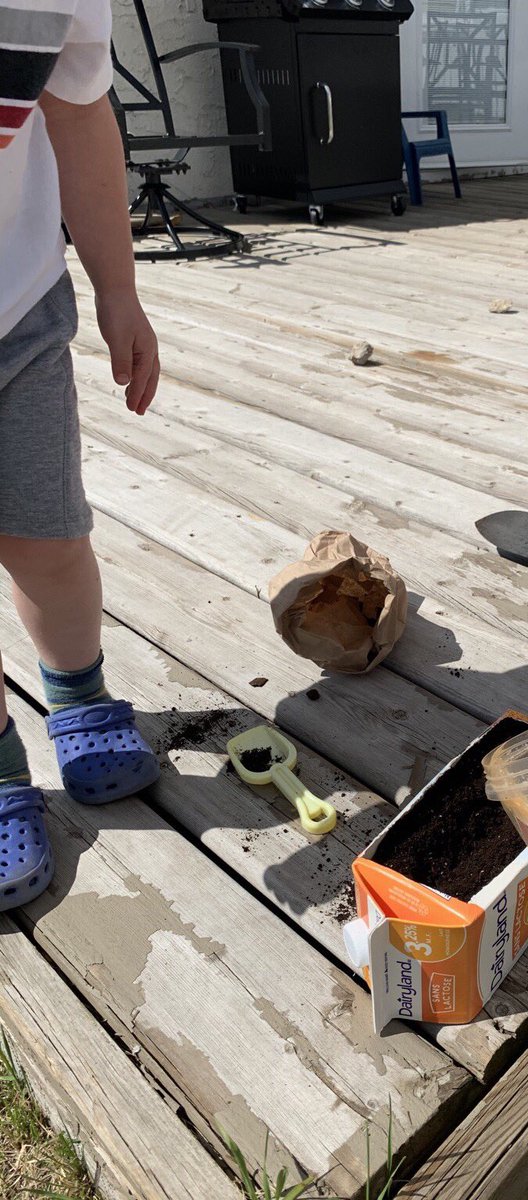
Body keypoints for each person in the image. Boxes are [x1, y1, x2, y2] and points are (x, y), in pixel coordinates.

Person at [0, 0, 160, 910]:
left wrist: (118, 289)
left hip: (16, 306)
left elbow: (76, 111)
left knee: (49, 537)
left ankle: (78, 694)